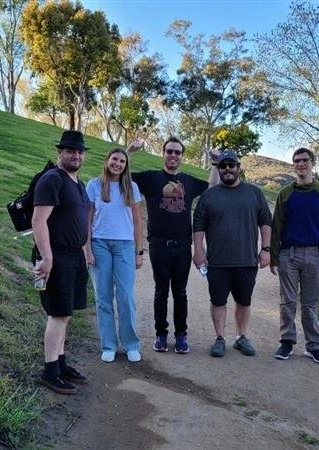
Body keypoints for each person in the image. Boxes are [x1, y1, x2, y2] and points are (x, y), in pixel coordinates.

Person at [127, 138, 219, 354]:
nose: (173, 155)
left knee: (180, 292)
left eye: (177, 152)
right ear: (163, 153)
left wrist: (215, 163)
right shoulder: (150, 178)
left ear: (182, 156)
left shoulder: (188, 181)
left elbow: (213, 187)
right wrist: (130, 151)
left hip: (182, 247)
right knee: (161, 292)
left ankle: (181, 335)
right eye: (169, 151)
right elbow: (122, 175)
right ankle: (161, 334)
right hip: (158, 246)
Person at [192, 151, 272, 357]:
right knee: (218, 301)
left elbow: (266, 222)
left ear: (239, 167)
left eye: (231, 165)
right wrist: (199, 252)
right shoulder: (209, 195)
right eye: (223, 166)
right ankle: (220, 338)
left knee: (244, 301)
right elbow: (198, 225)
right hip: (217, 262)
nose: (227, 169)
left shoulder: (254, 193)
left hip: (246, 261)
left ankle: (241, 337)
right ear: (218, 169)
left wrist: (266, 249)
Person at [31, 130, 90, 395]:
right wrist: (47, 258)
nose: (75, 155)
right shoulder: (52, 179)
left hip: (74, 255)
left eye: (79, 151)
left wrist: (85, 253)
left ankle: (61, 363)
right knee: (58, 313)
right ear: (60, 152)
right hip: (55, 255)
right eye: (70, 151)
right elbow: (38, 221)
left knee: (66, 313)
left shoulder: (78, 183)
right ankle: (50, 371)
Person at [269, 147, 319, 365]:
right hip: (288, 255)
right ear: (293, 165)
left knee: (310, 304)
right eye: (297, 161)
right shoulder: (285, 194)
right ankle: (287, 342)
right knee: (287, 301)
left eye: (304, 160)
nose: (300, 164)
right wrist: (273, 257)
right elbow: (277, 226)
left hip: (314, 254)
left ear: (312, 163)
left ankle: (314, 346)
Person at [84, 148, 144, 363]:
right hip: (100, 244)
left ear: (126, 165)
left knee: (126, 296)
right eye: (114, 159)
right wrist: (87, 248)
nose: (117, 164)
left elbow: (138, 222)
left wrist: (139, 252)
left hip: (125, 246)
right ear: (107, 160)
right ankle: (108, 344)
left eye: (122, 161)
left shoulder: (132, 188)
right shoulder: (94, 185)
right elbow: (87, 219)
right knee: (103, 296)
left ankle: (130, 344)